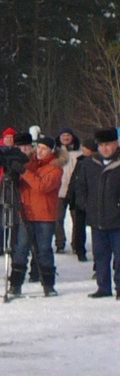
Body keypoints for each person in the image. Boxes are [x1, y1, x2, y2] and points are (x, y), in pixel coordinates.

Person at [9, 136, 64, 297]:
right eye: (38, 147)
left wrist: (24, 172)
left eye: (44, 149)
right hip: (26, 212)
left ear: (51, 151)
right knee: (20, 249)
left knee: (44, 250)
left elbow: (42, 186)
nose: (39, 151)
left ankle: (48, 285)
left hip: (45, 215)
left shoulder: (56, 168)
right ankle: (15, 284)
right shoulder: (29, 162)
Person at [71, 127, 120, 299]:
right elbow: (80, 187)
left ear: (116, 144)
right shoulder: (89, 164)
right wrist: (87, 205)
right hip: (97, 218)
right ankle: (103, 286)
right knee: (100, 255)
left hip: (117, 220)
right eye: (101, 145)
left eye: (108, 144)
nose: (105, 148)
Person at [55, 127, 85, 259]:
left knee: (77, 220)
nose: (66, 138)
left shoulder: (80, 151)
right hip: (59, 190)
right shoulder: (55, 151)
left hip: (76, 191)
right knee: (58, 219)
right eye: (63, 135)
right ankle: (60, 243)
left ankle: (76, 244)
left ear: (72, 137)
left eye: (68, 135)